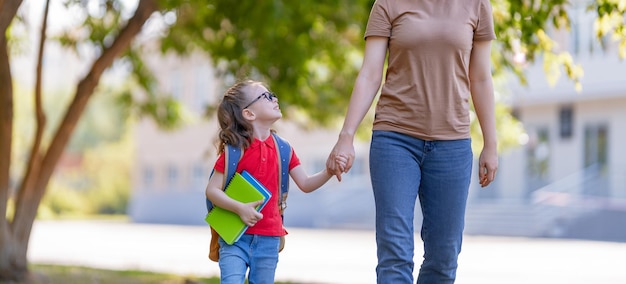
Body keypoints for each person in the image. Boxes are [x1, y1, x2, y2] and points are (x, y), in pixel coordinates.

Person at [325, 0, 499, 283]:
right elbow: (370, 74)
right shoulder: (388, 4)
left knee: (444, 257)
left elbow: (480, 78)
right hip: (395, 139)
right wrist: (346, 136)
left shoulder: (477, 5)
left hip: (452, 144)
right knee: (395, 252)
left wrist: (490, 143)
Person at [205, 79, 347, 284]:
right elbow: (212, 190)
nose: (275, 98)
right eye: (266, 96)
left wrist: (328, 171)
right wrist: (239, 208)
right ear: (249, 113)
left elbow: (305, 184)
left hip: (269, 239)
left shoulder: (284, 149)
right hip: (235, 237)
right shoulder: (235, 150)